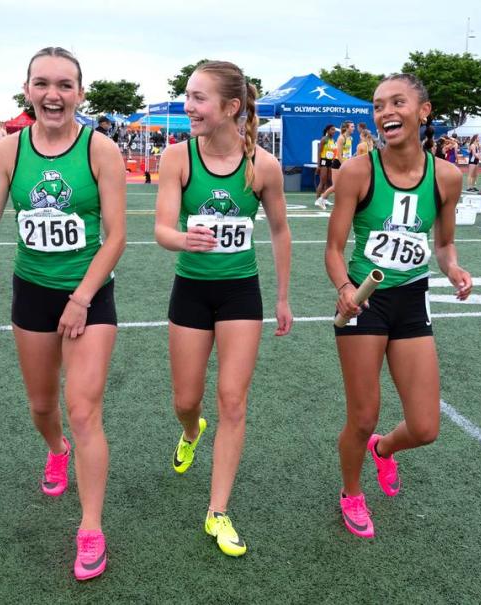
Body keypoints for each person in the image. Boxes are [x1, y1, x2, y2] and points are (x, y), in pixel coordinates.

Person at [0, 46, 126, 581]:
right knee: (42, 406)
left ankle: (90, 527)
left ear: (80, 93)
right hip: (31, 293)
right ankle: (54, 449)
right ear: (27, 89)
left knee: (84, 410)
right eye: (42, 84)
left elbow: (117, 235)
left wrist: (82, 296)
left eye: (64, 84)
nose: (53, 94)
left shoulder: (100, 150)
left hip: (90, 296)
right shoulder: (7, 152)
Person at [154, 60, 292, 557]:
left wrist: (280, 296)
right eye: (187, 96)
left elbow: (279, 229)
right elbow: (162, 229)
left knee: (233, 399)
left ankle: (218, 510)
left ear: (231, 108)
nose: (188, 106)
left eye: (198, 98)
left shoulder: (263, 167)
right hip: (190, 292)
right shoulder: (178, 158)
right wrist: (182, 239)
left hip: (240, 294)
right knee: (186, 399)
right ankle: (191, 430)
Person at [325, 73, 472, 539]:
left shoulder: (447, 176)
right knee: (363, 412)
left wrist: (454, 270)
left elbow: (444, 245)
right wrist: (345, 287)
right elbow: (333, 249)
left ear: (423, 111)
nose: (386, 112)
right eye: (378, 105)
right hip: (364, 304)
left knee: (426, 427)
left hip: (412, 301)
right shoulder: (357, 172)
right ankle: (351, 492)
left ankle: (383, 450)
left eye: (397, 102)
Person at [317, 120, 354, 208]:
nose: (354, 128)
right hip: (337, 163)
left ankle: (342, 202)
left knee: (344, 184)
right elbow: (339, 154)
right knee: (335, 185)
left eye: (353, 126)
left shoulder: (350, 138)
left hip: (344, 162)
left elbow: (347, 153)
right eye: (352, 126)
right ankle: (321, 199)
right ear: (347, 128)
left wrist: (350, 161)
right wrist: (344, 165)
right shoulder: (341, 138)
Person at [315, 124, 337, 208]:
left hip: (330, 162)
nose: (333, 131)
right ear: (328, 130)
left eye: (334, 130)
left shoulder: (333, 140)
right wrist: (318, 165)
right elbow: (319, 152)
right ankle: (317, 199)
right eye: (332, 129)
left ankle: (324, 199)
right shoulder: (324, 139)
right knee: (322, 181)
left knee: (329, 181)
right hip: (324, 161)